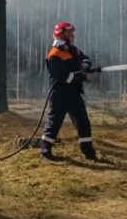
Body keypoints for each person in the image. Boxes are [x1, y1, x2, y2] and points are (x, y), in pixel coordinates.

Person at [41, 21, 99, 161]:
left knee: (83, 122)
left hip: (74, 94)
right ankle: (45, 151)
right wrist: (85, 77)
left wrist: (85, 65)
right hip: (60, 94)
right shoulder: (54, 54)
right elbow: (65, 77)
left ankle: (88, 153)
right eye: (71, 34)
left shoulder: (72, 49)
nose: (73, 36)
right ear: (63, 36)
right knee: (55, 122)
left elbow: (85, 57)